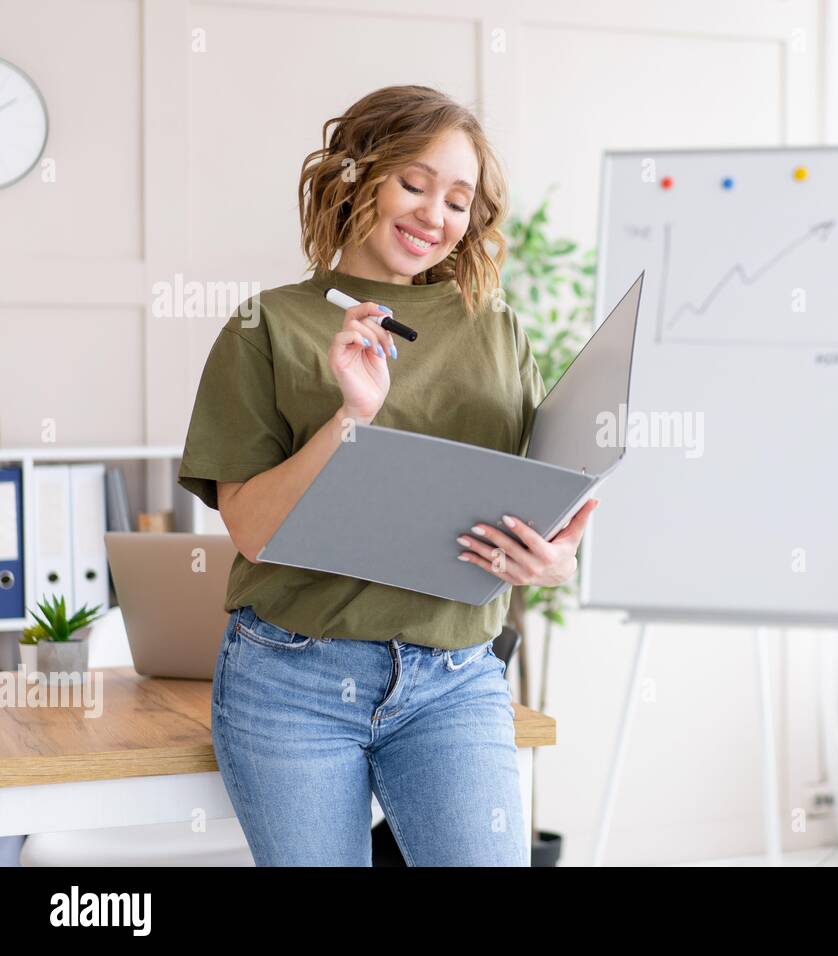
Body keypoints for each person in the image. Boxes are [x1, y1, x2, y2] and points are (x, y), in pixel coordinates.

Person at [177, 85, 596, 866]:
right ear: (352, 176)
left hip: (455, 677)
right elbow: (254, 532)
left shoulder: (495, 327)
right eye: (415, 183)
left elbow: (543, 500)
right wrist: (350, 420)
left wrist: (554, 558)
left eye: (459, 200)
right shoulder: (265, 325)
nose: (436, 215)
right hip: (292, 677)